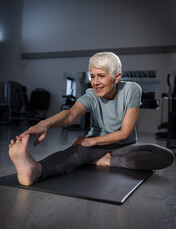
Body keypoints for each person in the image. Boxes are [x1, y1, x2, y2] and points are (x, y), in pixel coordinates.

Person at [9, 52, 174, 186]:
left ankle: (105, 161)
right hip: (96, 145)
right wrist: (44, 124)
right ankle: (35, 169)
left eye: (101, 76)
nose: (96, 82)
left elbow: (125, 133)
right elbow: (71, 114)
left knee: (165, 156)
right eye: (92, 76)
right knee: (73, 155)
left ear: (117, 77)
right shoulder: (91, 95)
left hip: (125, 146)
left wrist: (92, 142)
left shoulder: (132, 90)